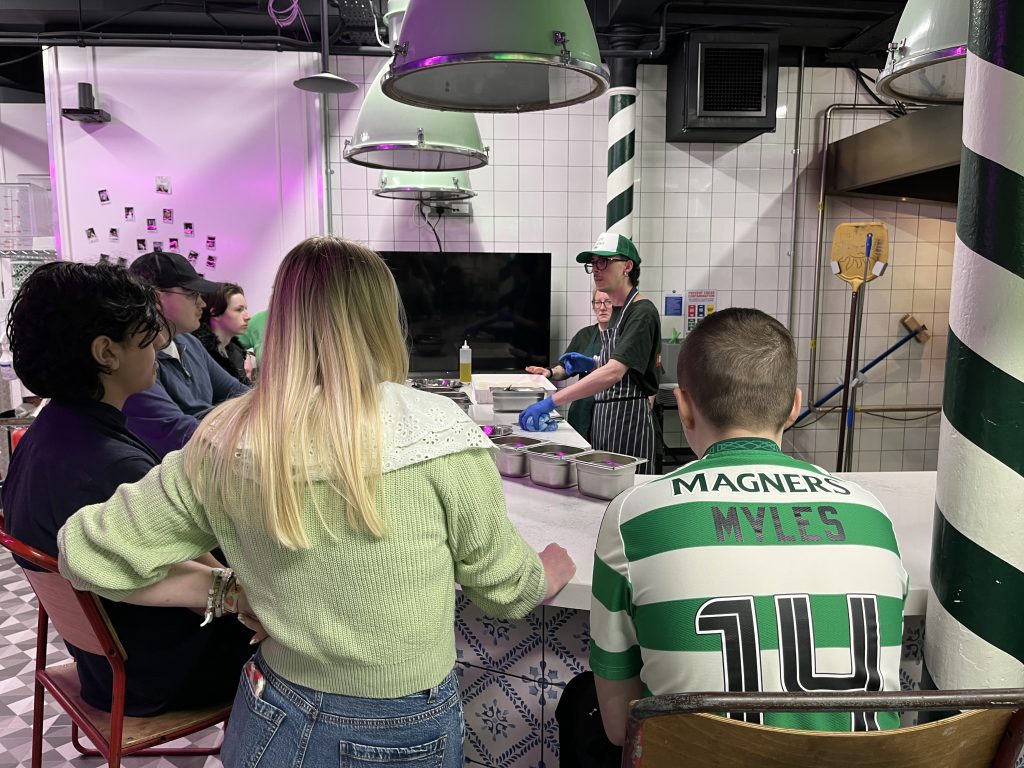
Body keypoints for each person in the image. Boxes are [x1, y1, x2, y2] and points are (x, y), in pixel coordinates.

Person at [57, 236, 577, 768]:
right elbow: (504, 592)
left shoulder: (225, 437)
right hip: (399, 730)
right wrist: (545, 573)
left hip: (269, 713)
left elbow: (85, 552)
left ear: (282, 318)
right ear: (383, 316)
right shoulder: (438, 430)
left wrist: (231, 593)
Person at [585, 308, 908, 755]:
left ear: (683, 406)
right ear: (794, 406)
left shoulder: (636, 516)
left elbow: (620, 727)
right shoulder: (870, 514)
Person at [3, 261, 254, 716]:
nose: (159, 345)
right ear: (106, 352)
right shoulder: (111, 465)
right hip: (156, 676)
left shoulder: (49, 433)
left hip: (108, 666)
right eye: (146, 334)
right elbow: (203, 587)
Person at [519, 233, 661, 473]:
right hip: (604, 418)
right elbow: (622, 366)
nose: (595, 269)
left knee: (625, 489)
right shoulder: (619, 313)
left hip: (627, 420)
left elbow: (615, 373)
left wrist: (551, 402)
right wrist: (593, 365)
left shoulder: (642, 313)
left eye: (604, 262)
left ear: (627, 267)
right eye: (593, 263)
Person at [123, 251, 248, 458]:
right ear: (157, 298)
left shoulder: (190, 343)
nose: (202, 304)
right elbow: (176, 432)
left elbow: (240, 393)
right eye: (191, 294)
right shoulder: (136, 359)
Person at [526, 289, 612, 441]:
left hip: (610, 412)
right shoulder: (584, 335)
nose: (602, 307)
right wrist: (549, 372)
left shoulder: (624, 336)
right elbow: (565, 368)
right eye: (598, 302)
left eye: (608, 302)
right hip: (582, 409)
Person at [193, 282, 253, 385]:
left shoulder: (237, 354)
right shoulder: (197, 352)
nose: (248, 317)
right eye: (239, 310)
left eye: (245, 309)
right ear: (215, 313)